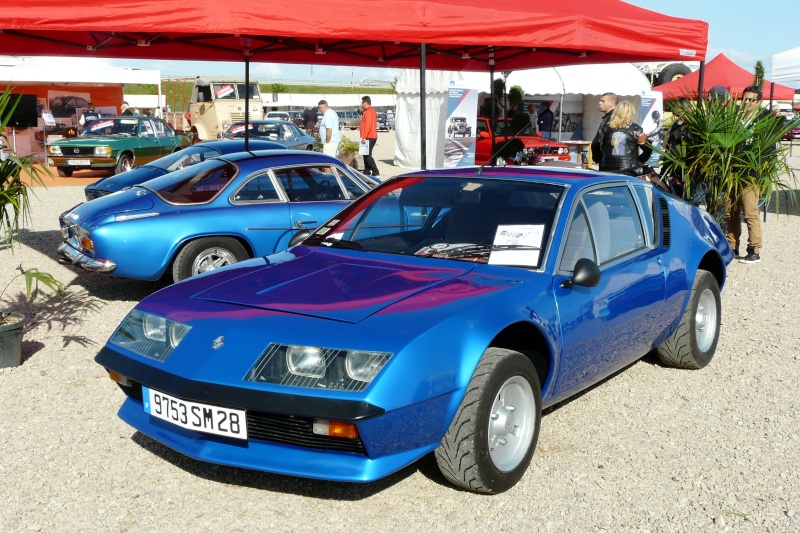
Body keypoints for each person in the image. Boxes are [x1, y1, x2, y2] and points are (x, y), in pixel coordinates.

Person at [726, 85, 767, 264]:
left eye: (751, 100)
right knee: (731, 212)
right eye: (745, 99)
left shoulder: (763, 120)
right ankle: (732, 246)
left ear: (758, 102)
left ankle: (754, 249)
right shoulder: (735, 119)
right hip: (732, 171)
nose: (747, 103)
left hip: (750, 173)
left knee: (750, 213)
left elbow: (769, 149)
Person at [598, 101, 652, 173]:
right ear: (631, 113)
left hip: (607, 167)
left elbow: (600, 145)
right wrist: (640, 160)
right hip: (628, 169)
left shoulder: (606, 127)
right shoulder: (636, 129)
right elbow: (648, 149)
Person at [591, 92, 618, 165]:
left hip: (608, 162)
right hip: (605, 160)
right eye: (600, 101)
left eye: (603, 101)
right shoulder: (608, 118)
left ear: (611, 103)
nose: (599, 103)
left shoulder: (612, 119)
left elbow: (604, 141)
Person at [359, 96, 380, 177]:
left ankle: (375, 171)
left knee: (367, 155)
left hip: (370, 136)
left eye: (362, 102)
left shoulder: (369, 112)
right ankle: (367, 172)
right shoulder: (368, 111)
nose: (361, 104)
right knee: (365, 155)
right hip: (368, 136)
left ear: (365, 102)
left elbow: (368, 125)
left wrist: (364, 136)